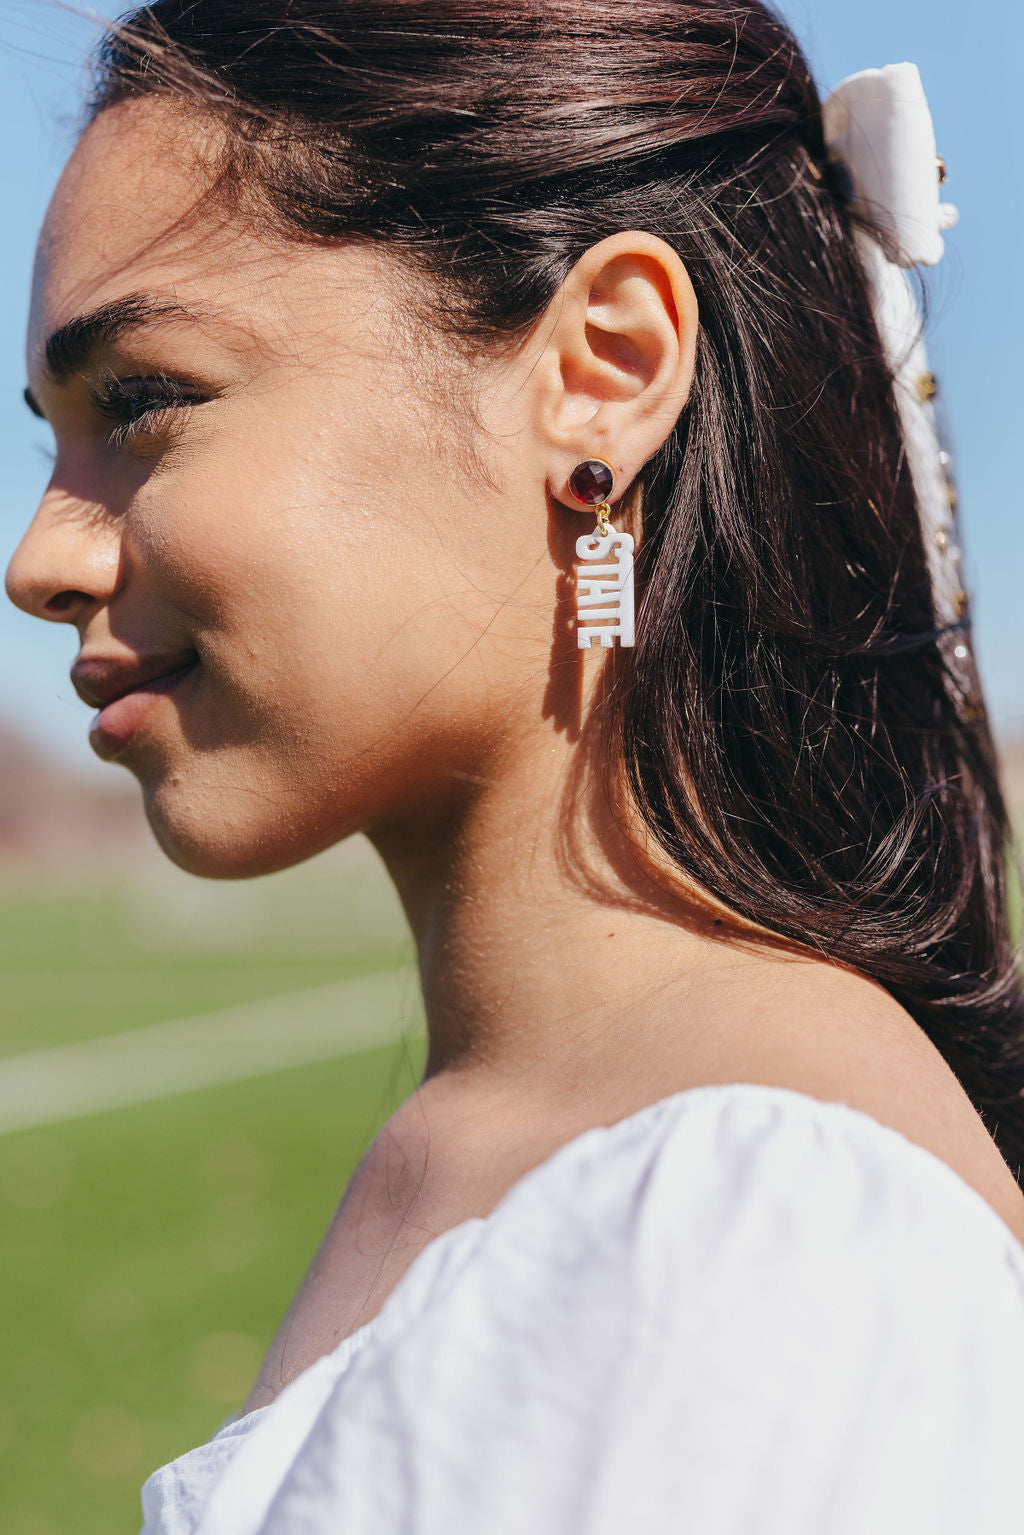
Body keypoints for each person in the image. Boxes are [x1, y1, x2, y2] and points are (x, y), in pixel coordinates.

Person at [7, 2, 1024, 1530]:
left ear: (605, 372)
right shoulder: (545, 1133)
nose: (39, 559)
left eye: (145, 404)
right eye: (52, 444)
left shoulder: (753, 1224)